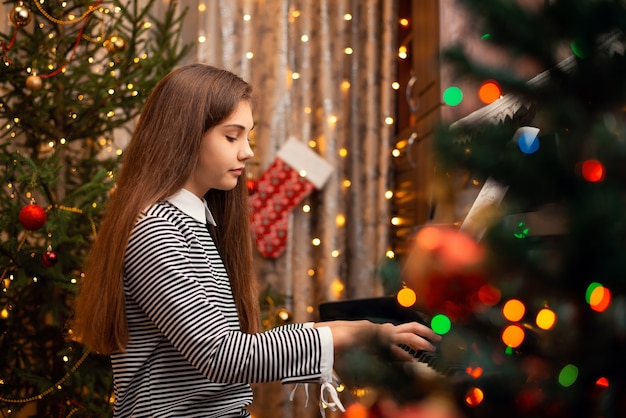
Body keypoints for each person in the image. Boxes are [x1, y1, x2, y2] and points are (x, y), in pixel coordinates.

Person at [72, 63, 441, 418]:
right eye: (232, 136)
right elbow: (219, 355)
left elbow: (221, 344)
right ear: (182, 136)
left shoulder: (195, 221)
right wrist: (347, 335)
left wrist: (350, 332)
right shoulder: (156, 230)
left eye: (247, 136)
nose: (247, 151)